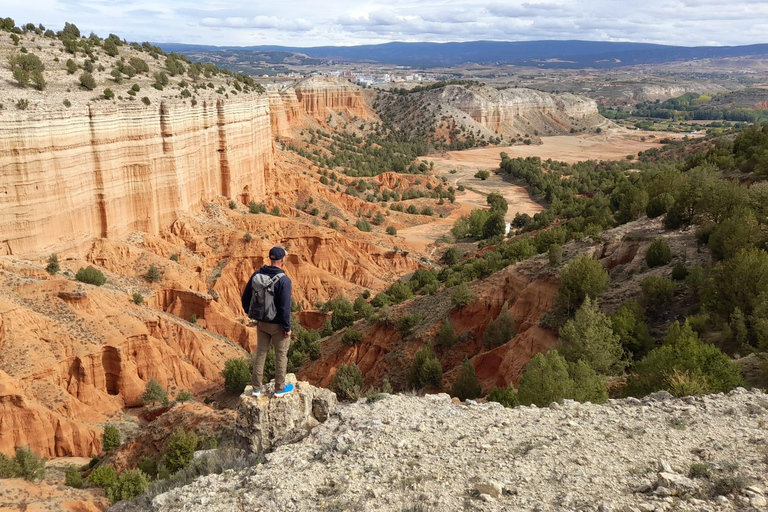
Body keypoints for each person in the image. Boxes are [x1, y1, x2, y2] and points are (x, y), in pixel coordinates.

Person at [241, 246, 293, 397]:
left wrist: (252, 313)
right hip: (277, 325)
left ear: (271, 259)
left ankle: (256, 388)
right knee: (281, 355)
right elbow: (284, 308)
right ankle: (279, 389)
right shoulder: (284, 281)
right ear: (282, 260)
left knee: (261, 354)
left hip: (262, 323)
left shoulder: (257, 274)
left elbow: (245, 297)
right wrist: (287, 327)